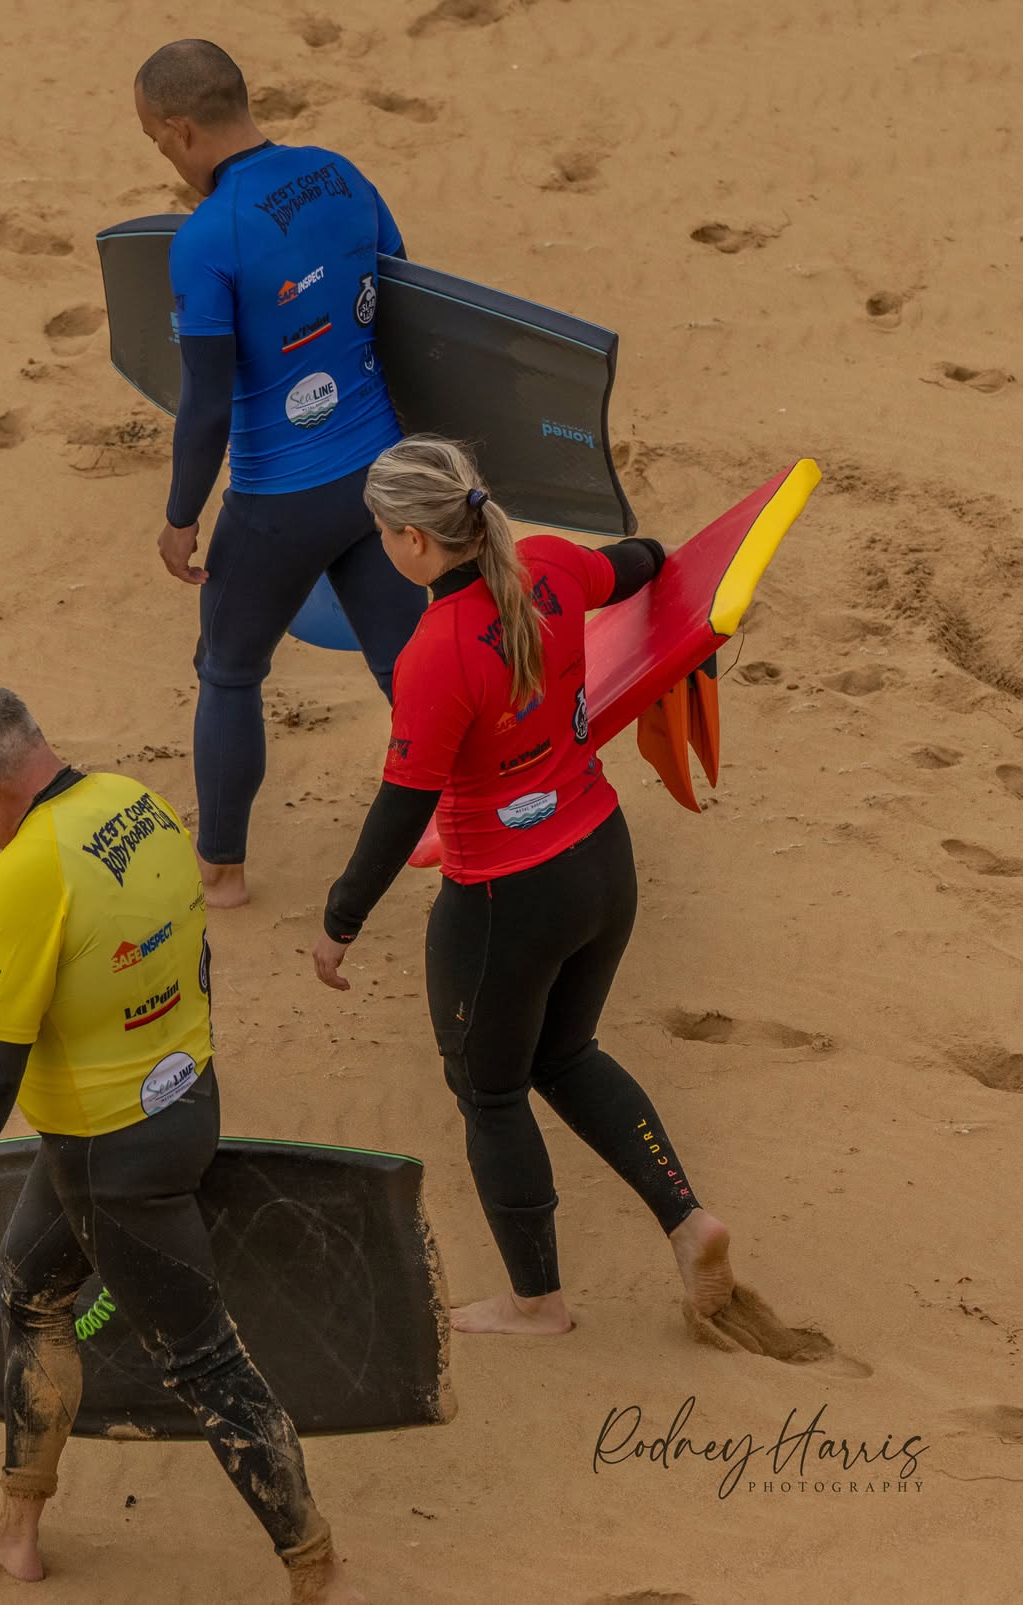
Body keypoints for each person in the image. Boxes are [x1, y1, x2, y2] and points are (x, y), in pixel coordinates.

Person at [0, 686, 367, 1604]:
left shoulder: (24, 874)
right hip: (183, 1104)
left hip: (110, 1158)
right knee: (31, 1289)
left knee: (206, 1361)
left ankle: (320, 1573)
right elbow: (196, 955)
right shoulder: (136, 805)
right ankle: (16, 1529)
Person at [307, 437, 737, 1336]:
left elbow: (402, 809)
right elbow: (646, 561)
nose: (382, 544)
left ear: (415, 542)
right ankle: (688, 1220)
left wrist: (340, 920)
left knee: (491, 1091)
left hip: (508, 900)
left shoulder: (435, 653)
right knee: (566, 1053)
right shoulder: (548, 564)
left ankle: (536, 1302)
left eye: (383, 531)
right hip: (602, 860)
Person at [133, 40, 426, 910]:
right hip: (380, 477)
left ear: (182, 130)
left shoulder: (206, 238)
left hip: (277, 503)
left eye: (156, 141)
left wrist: (181, 515)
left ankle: (222, 874)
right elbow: (409, 302)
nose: (163, 156)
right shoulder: (341, 174)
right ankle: (484, 819)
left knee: (228, 669)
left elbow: (206, 404)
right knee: (411, 674)